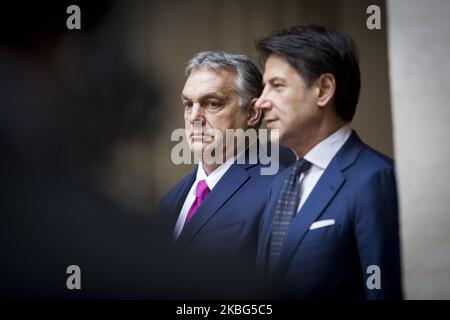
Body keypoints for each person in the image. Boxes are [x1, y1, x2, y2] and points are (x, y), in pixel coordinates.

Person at [254, 25, 402, 299]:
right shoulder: (281, 183)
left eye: (277, 86)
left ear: (323, 89)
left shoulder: (375, 178)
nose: (261, 102)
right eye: (264, 87)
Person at [159, 51, 285, 268]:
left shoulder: (280, 188)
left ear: (253, 113)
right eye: (188, 104)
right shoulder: (170, 200)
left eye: (212, 103)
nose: (194, 118)